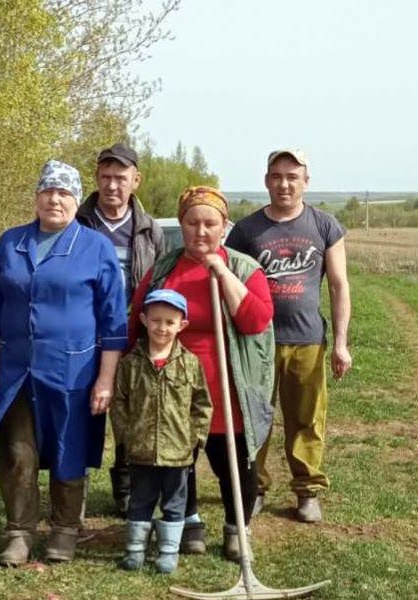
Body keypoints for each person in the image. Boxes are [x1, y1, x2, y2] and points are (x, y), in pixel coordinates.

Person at [0, 160, 128, 566]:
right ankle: (19, 533)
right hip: (17, 370)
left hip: (75, 371)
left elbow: (113, 321)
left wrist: (105, 379)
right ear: (36, 197)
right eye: (48, 191)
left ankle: (65, 530)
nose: (56, 199)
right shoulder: (11, 242)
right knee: (17, 450)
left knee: (68, 447)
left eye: (65, 193)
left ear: (76, 201)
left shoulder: (95, 246)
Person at [130, 185, 274, 561]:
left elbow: (256, 320)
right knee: (179, 461)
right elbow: (135, 321)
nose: (201, 231)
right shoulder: (163, 270)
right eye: (193, 223)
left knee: (235, 462)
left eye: (211, 223)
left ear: (224, 226)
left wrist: (223, 274)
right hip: (173, 387)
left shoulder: (244, 267)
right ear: (182, 224)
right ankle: (188, 521)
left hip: (228, 386)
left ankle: (236, 527)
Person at [226, 149, 352, 523]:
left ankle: (307, 491)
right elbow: (231, 285)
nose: (284, 184)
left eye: (292, 177)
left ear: (305, 182)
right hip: (257, 342)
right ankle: (254, 488)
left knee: (307, 420)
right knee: (256, 420)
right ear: (267, 181)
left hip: (308, 341)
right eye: (277, 176)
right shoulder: (247, 230)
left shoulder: (325, 226)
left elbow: (339, 286)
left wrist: (341, 343)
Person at [76, 142, 165, 518]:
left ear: (136, 181)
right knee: (81, 413)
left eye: (121, 178)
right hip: (83, 336)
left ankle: (127, 487)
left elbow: (160, 281)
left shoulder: (150, 230)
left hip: (134, 335)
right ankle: (72, 490)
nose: (112, 186)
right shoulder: (77, 223)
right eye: (106, 177)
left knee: (133, 413)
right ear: (96, 179)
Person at [111, 289, 211, 574]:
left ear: (182, 325)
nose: (162, 328)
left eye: (169, 322)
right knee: (140, 500)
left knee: (175, 503)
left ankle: (168, 552)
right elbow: (119, 403)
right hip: (140, 451)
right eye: (156, 320)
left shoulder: (190, 364)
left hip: (178, 453)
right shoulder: (130, 364)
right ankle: (134, 550)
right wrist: (126, 436)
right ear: (143, 319)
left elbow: (202, 404)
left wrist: (196, 438)